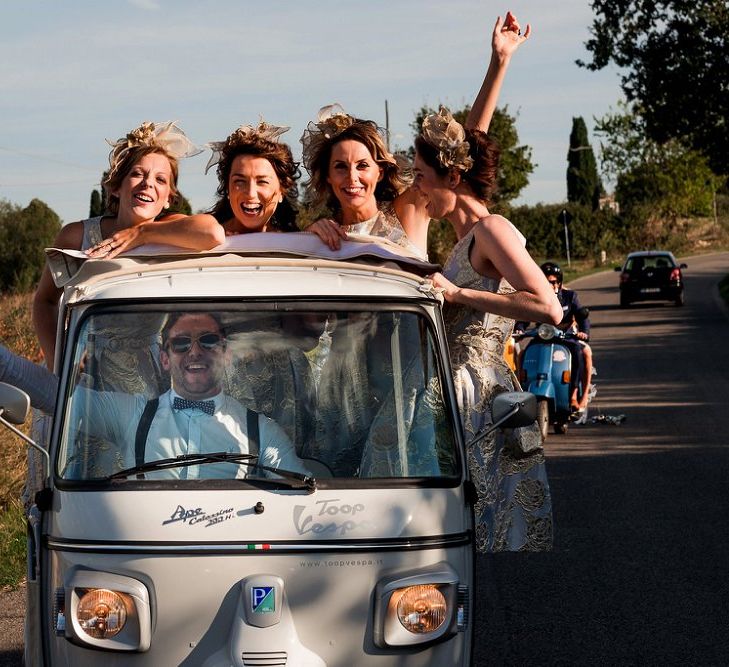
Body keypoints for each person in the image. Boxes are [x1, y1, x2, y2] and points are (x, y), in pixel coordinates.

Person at [411, 106, 562, 553]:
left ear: (452, 178)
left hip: (478, 393)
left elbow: (548, 307)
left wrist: (457, 296)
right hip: (454, 391)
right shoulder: (463, 241)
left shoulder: (492, 229)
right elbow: (472, 133)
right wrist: (499, 60)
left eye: (421, 175)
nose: (417, 188)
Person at [300, 12, 530, 259]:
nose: (352, 177)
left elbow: (463, 147)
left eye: (363, 165)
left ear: (380, 171)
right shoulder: (321, 236)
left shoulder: (411, 206)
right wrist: (308, 236)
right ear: (328, 176)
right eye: (340, 167)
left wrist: (499, 61)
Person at [35, 121, 225, 369]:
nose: (148, 184)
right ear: (115, 187)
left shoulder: (172, 228)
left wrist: (143, 233)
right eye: (137, 173)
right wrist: (57, 362)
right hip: (80, 374)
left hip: (145, 376)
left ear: (169, 198)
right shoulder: (76, 235)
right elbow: (45, 301)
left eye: (160, 179)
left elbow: (212, 232)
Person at [64, 311, 308, 480]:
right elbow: (52, 396)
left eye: (208, 341)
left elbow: (304, 495)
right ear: (164, 358)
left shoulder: (260, 430)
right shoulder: (134, 414)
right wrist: (66, 367)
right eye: (181, 343)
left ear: (226, 355)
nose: (194, 352)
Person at [516, 262, 593, 413]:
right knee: (523, 354)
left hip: (567, 338)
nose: (549, 285)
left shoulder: (570, 297)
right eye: (545, 281)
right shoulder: (535, 298)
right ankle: (521, 393)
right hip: (542, 337)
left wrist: (584, 332)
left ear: (559, 283)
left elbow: (582, 317)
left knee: (579, 352)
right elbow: (524, 318)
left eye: (552, 282)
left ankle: (575, 394)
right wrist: (519, 329)